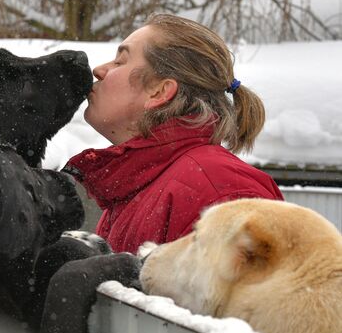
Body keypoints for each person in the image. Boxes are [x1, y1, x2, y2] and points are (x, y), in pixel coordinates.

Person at [63, 13, 284, 254]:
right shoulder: (140, 184)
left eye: (120, 62)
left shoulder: (223, 192)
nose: (98, 70)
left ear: (159, 92)